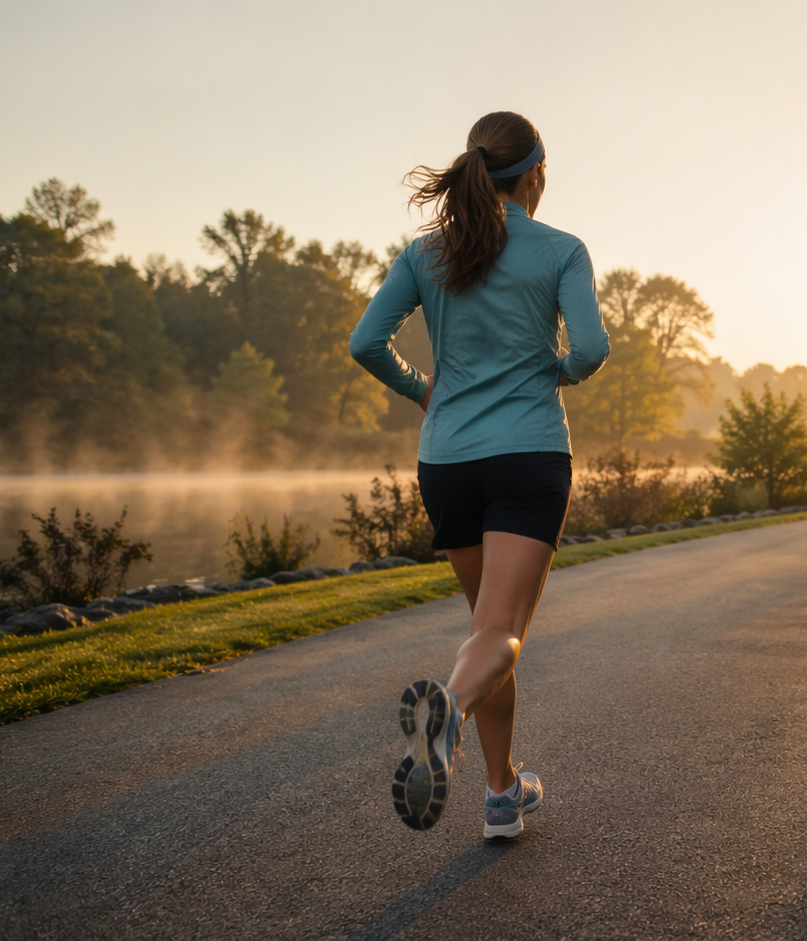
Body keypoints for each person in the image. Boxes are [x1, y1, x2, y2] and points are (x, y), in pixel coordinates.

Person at [350, 111, 609, 839]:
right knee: (500, 630)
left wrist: (421, 389)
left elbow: (365, 341)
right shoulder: (561, 251)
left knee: (487, 628)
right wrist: (557, 370)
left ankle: (501, 796)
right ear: (535, 174)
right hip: (527, 452)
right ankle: (448, 710)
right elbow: (590, 348)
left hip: (448, 460)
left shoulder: (426, 253)